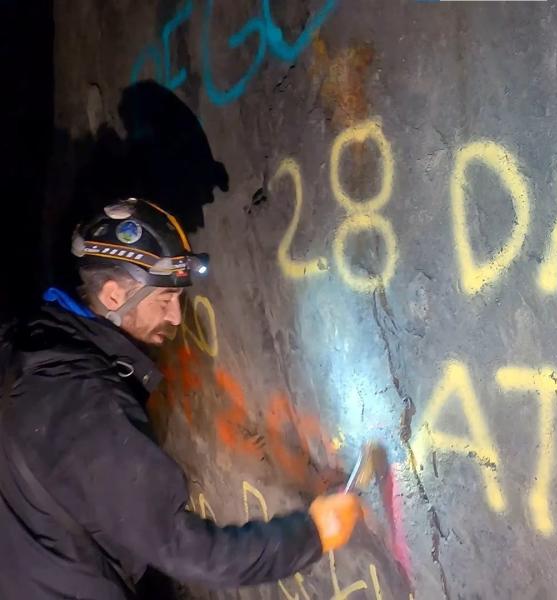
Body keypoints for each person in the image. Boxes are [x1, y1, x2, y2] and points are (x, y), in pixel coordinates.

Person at [0, 198, 361, 599]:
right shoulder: (86, 407)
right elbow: (189, 553)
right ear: (115, 296)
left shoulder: (33, 344)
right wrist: (312, 535)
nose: (175, 317)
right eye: (162, 301)